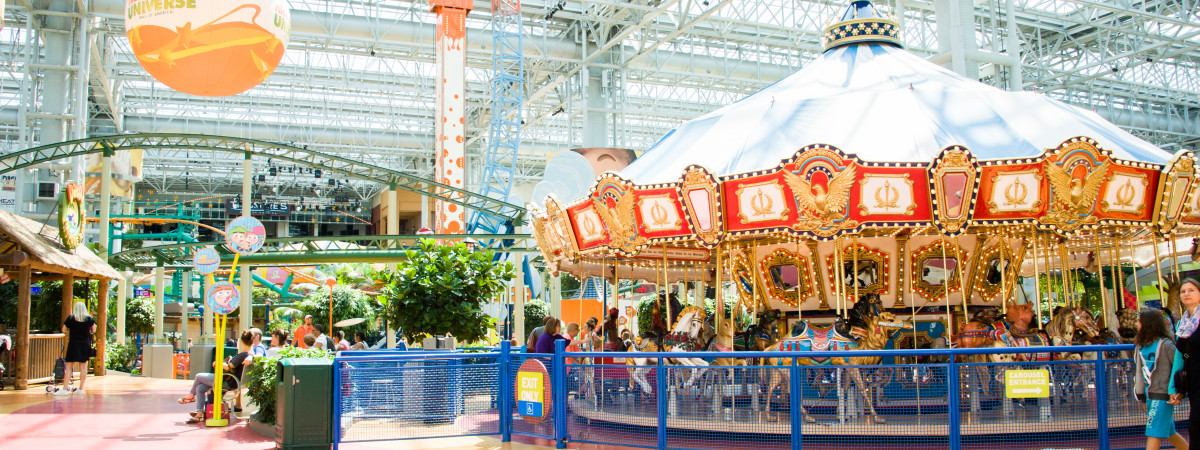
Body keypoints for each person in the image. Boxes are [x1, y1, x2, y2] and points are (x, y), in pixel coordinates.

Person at [1134, 308, 1188, 450]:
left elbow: (1179, 366)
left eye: (1139, 321)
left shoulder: (1166, 344)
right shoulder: (1140, 346)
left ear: (1148, 323)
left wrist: (1177, 390)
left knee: (1153, 432)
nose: (1136, 324)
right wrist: (1142, 397)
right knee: (1170, 433)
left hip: (1163, 394)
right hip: (1149, 394)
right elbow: (1139, 373)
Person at [179, 330, 254, 423]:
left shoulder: (243, 355)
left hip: (227, 381)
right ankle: (199, 413)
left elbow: (229, 367)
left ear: (241, 341)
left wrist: (219, 363)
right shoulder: (249, 355)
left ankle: (191, 395)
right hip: (234, 381)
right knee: (200, 388)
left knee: (198, 376)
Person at [1174, 277, 1200, 446]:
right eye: (1183, 291)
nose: (1186, 294)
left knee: (1196, 425)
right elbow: (1179, 356)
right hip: (1193, 381)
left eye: (1191, 290)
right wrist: (1174, 387)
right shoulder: (1182, 325)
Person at [59, 302, 96, 395]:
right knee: (83, 367)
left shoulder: (71, 318)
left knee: (69, 366)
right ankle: (81, 389)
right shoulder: (89, 319)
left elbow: (63, 329)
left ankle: (64, 389)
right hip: (84, 344)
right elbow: (94, 330)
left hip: (73, 343)